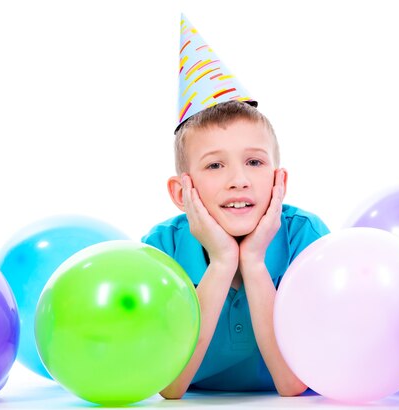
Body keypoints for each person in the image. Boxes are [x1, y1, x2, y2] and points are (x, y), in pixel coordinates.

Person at [142, 14, 330, 398]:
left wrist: (255, 262)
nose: (238, 179)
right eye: (214, 165)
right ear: (181, 192)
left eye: (255, 162)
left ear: (280, 181)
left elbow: (294, 383)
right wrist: (223, 260)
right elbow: (170, 387)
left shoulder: (305, 238)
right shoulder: (161, 249)